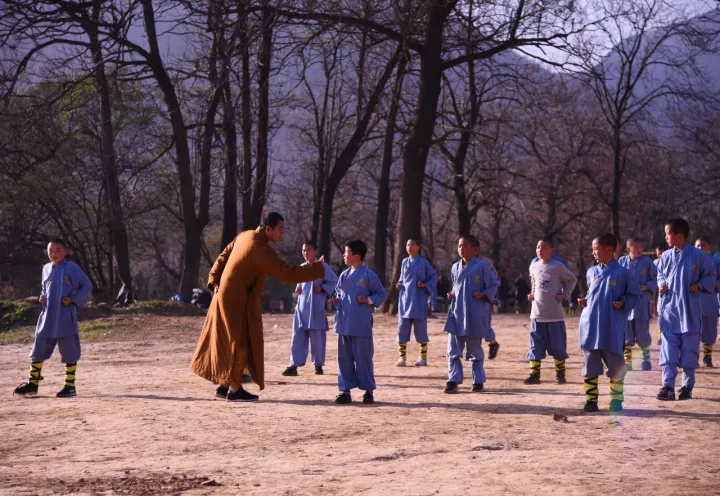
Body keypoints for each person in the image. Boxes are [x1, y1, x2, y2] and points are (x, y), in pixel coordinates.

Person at [189, 212, 325, 402]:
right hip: (235, 301)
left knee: (229, 342)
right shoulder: (259, 248)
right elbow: (286, 273)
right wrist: (317, 269)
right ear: (268, 229)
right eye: (280, 229)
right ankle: (235, 390)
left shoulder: (245, 235)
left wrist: (214, 280)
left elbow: (222, 256)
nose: (281, 234)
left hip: (225, 296)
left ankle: (224, 385)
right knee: (241, 342)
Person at [13, 239, 93, 398]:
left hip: (64, 316)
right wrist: (43, 296)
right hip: (47, 316)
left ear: (65, 251)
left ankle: (70, 386)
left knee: (69, 351)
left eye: (58, 250)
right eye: (51, 251)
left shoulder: (72, 268)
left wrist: (74, 298)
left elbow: (87, 286)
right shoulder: (46, 268)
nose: (54, 254)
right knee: (38, 349)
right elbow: (45, 287)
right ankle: (32, 384)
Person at [577, 233, 642, 413]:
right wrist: (585, 300)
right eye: (593, 250)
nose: (594, 253)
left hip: (611, 327)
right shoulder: (591, 272)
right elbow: (594, 295)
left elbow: (635, 295)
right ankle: (591, 400)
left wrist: (622, 302)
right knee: (590, 365)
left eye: (596, 249)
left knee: (615, 365)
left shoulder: (623, 273)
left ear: (608, 249)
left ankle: (616, 401)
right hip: (590, 326)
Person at [656, 219, 715, 401]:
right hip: (669, 312)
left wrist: (699, 285)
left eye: (668, 234)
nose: (666, 237)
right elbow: (660, 274)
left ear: (680, 235)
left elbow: (711, 275)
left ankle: (687, 387)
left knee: (689, 351)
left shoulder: (699, 256)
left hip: (689, 312)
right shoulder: (665, 257)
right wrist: (661, 284)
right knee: (668, 350)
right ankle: (668, 386)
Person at [333, 240, 387, 405]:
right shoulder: (343, 275)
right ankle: (345, 391)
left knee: (363, 358)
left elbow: (381, 294)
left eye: (347, 252)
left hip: (361, 324)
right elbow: (339, 291)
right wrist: (337, 301)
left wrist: (368, 300)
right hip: (344, 323)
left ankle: (368, 391)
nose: (344, 255)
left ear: (357, 256)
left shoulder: (369, 275)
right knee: (344, 358)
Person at [443, 235, 498, 394]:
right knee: (453, 350)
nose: (461, 248)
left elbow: (493, 284)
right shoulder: (455, 267)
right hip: (456, 314)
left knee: (474, 350)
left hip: (474, 314)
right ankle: (453, 380)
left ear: (475, 249)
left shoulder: (481, 267)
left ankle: (478, 381)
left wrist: (483, 294)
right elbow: (456, 286)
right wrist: (452, 294)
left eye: (465, 246)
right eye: (460, 246)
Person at [524, 238, 577, 385]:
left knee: (558, 347)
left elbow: (572, 279)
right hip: (536, 315)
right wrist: (532, 294)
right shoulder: (533, 266)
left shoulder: (557, 266)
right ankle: (534, 375)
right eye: (538, 247)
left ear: (551, 250)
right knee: (535, 346)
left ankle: (560, 374)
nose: (540, 250)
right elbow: (534, 283)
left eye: (544, 247)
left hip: (554, 316)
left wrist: (564, 295)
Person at [282, 241, 338, 377]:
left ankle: (318, 365)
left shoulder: (322, 267)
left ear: (315, 252)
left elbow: (334, 281)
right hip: (301, 309)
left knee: (317, 338)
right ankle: (294, 365)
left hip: (316, 308)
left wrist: (323, 288)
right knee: (297, 338)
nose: (305, 253)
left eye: (308, 250)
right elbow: (300, 284)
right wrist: (298, 288)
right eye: (303, 250)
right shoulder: (302, 267)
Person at [395, 238, 438, 367]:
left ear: (418, 247)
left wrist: (424, 285)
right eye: (407, 244)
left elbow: (434, 276)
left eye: (412, 244)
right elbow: (402, 278)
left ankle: (423, 358)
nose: (409, 247)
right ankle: (402, 358)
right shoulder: (404, 262)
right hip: (405, 301)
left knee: (421, 331)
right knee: (402, 330)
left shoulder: (424, 263)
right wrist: (400, 284)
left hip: (418, 301)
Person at [618, 238, 658, 371]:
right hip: (626, 304)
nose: (640, 250)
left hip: (641, 303)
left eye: (641, 247)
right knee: (626, 334)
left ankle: (646, 360)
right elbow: (616, 280)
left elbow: (655, 278)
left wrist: (646, 286)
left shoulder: (647, 262)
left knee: (642, 334)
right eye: (636, 248)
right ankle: (627, 362)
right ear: (628, 249)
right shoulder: (621, 262)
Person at [693, 236, 720, 368]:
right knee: (693, 331)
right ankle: (693, 357)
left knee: (709, 330)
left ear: (709, 247)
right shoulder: (691, 261)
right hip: (693, 301)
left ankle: (707, 357)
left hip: (709, 299)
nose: (700, 248)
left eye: (703, 245)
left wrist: (715, 285)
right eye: (697, 245)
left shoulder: (716, 261)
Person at [475, 246, 500, 359]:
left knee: (483, 325)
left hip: (483, 299)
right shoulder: (462, 264)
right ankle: (474, 350)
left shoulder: (485, 262)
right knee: (471, 325)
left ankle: (493, 343)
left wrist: (485, 292)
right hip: (469, 300)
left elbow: (494, 279)